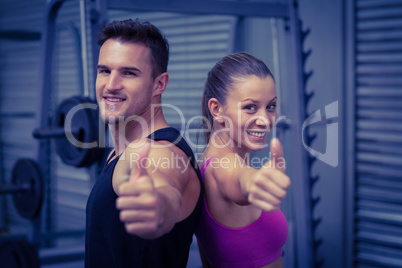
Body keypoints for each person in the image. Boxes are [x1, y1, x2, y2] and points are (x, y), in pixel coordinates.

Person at [85, 19, 202, 268]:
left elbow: (162, 180)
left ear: (159, 84)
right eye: (104, 70)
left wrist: (160, 204)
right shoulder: (116, 153)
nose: (111, 85)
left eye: (128, 73)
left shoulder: (159, 151)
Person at [195, 52, 291, 268]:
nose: (265, 120)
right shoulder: (222, 165)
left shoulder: (206, 163)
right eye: (250, 107)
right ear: (217, 109)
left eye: (271, 106)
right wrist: (254, 182)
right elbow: (240, 179)